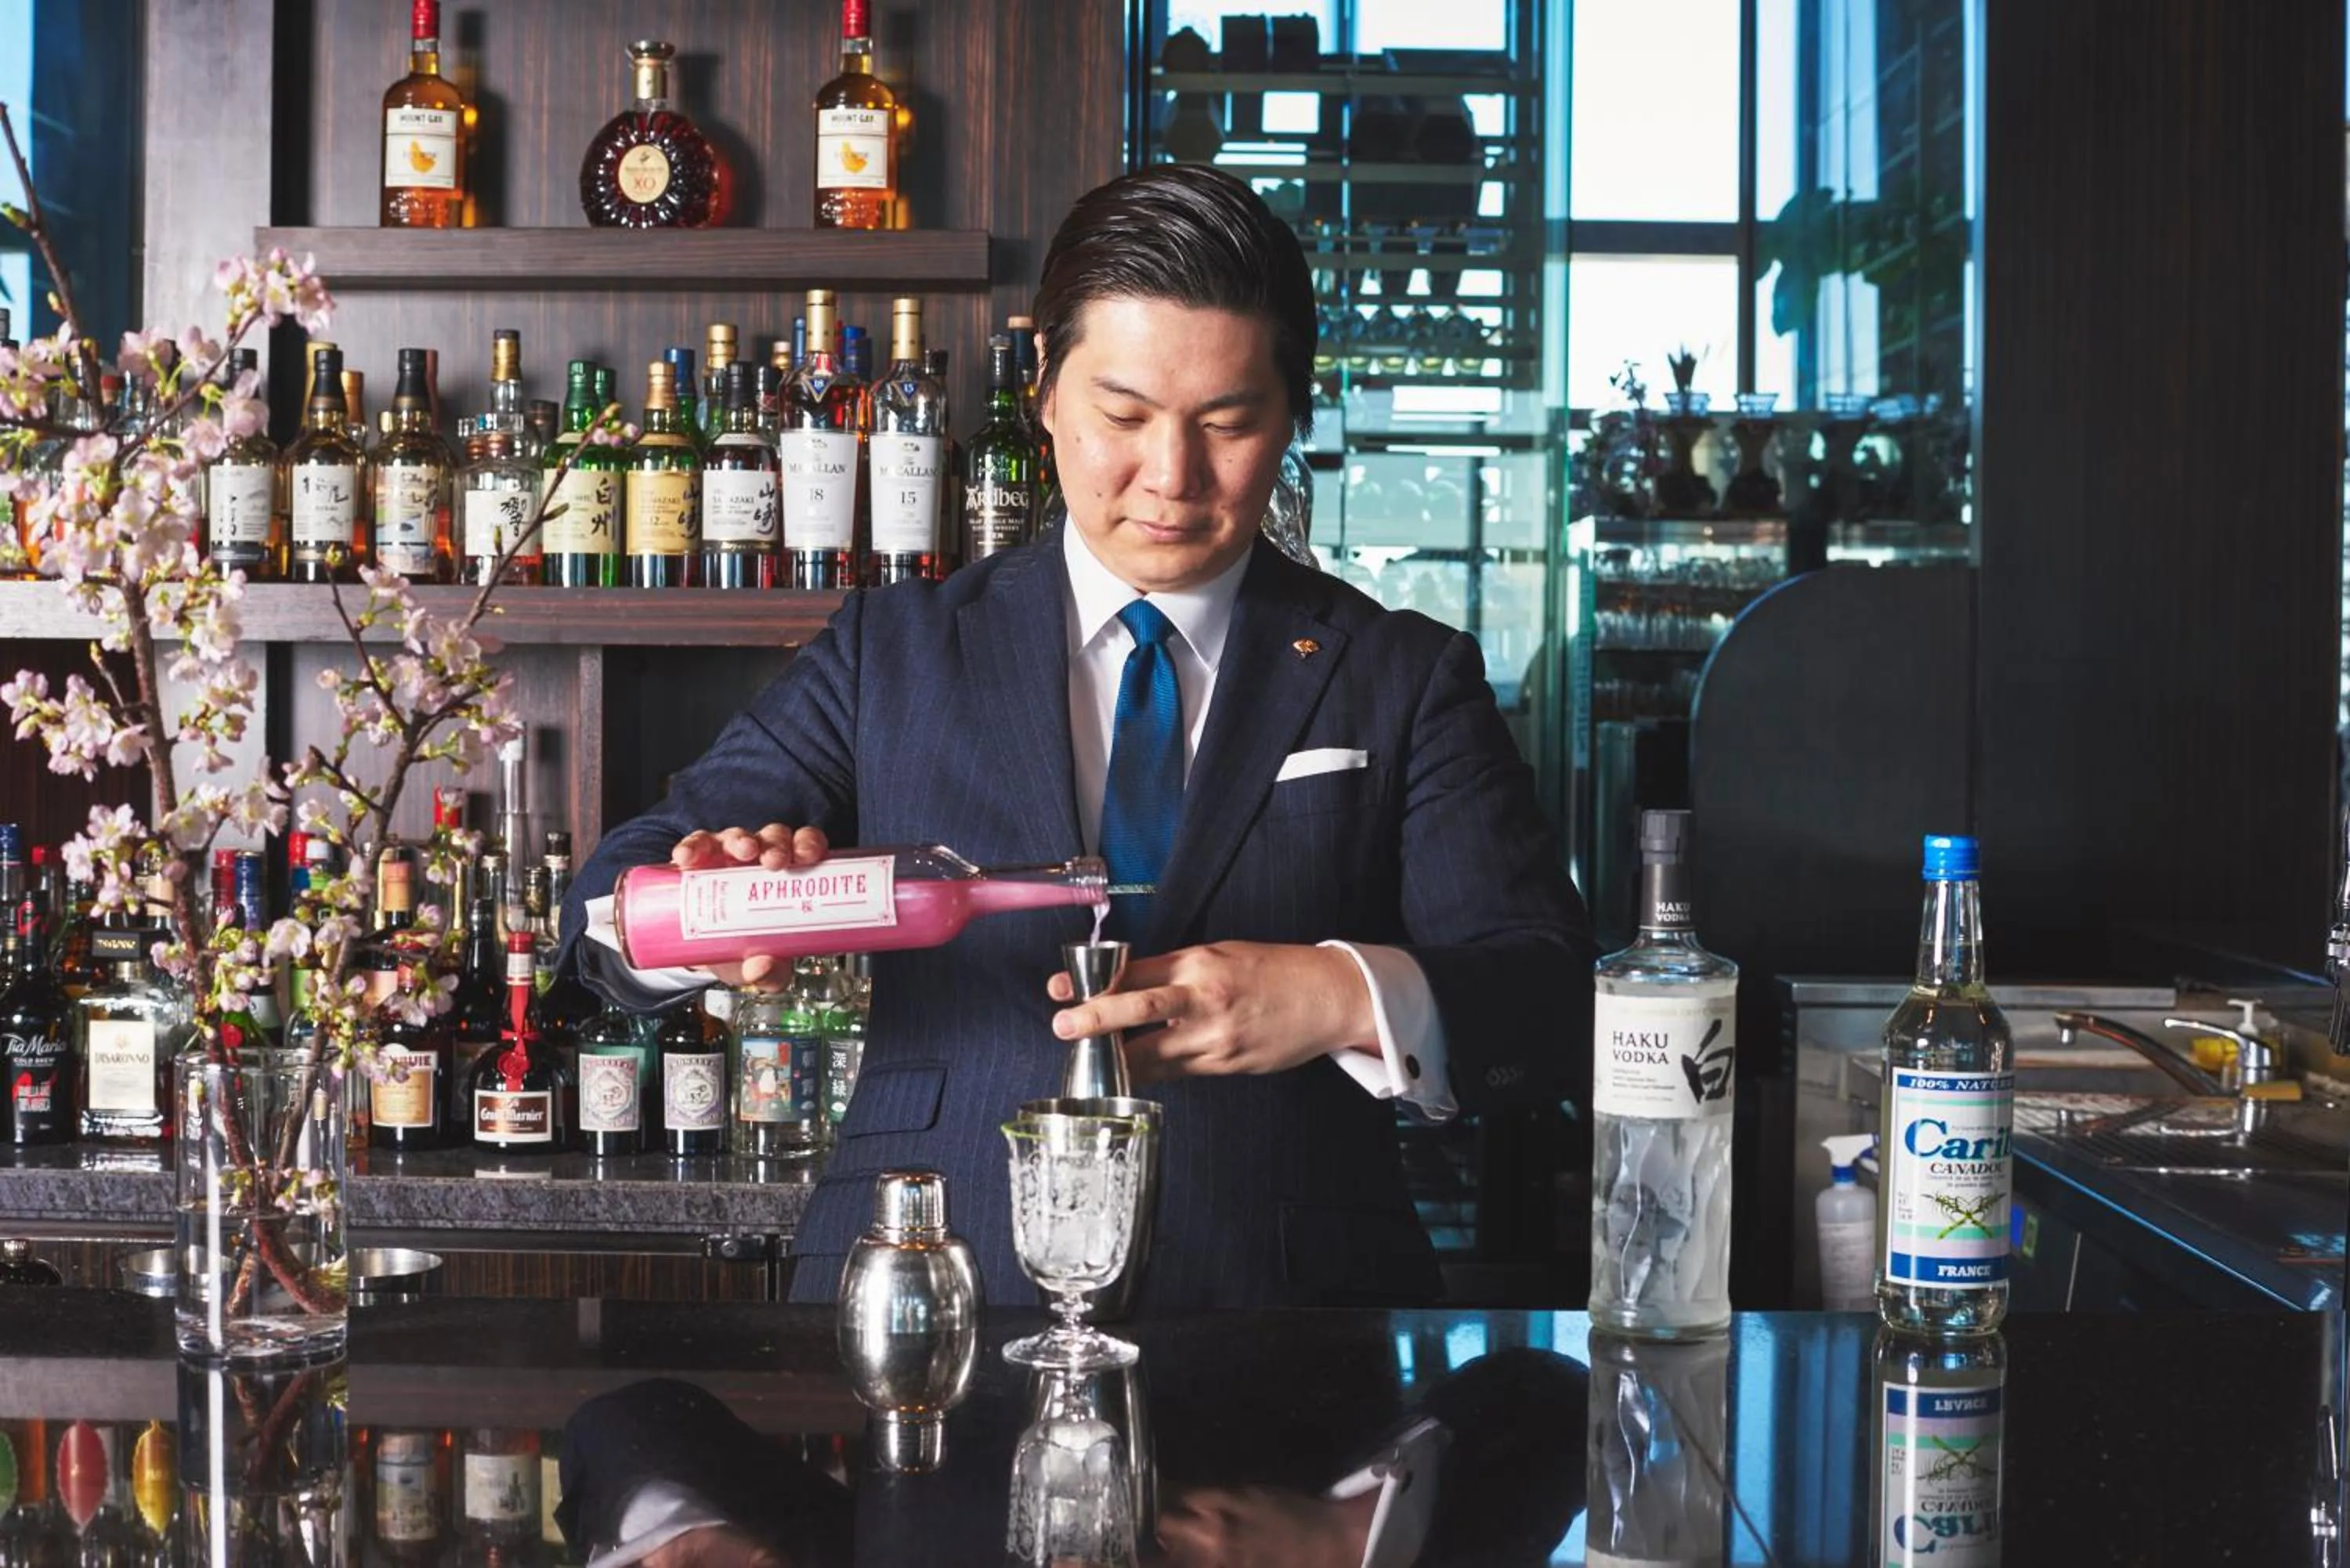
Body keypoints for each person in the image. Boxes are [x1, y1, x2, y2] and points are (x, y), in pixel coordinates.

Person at [560, 163, 1594, 1310]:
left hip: (1293, 1326)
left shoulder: (1400, 675)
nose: (1171, 477)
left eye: (1228, 423)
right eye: (1124, 416)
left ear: (1291, 415)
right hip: (930, 1295)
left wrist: (1345, 995)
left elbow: (1550, 1005)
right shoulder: (890, 650)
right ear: (1046, 390)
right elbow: (607, 904)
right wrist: (701, 910)